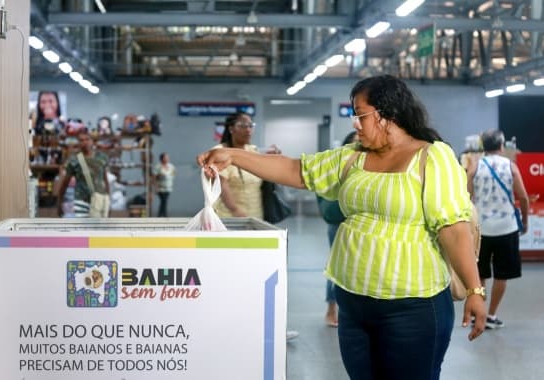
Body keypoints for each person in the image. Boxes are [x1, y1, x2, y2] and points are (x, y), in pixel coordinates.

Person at [198, 75, 486, 379]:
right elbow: (295, 169)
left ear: (387, 114)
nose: (355, 124)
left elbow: (454, 229)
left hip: (412, 308)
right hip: (353, 304)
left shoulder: (432, 157)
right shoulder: (352, 158)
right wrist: (233, 155)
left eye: (361, 115)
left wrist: (474, 290)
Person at [213, 112, 299, 341]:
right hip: (231, 224)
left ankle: (271, 327)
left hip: (259, 223)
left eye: (251, 125)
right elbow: (223, 187)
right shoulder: (220, 152)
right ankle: (232, 325)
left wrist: (277, 159)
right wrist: (237, 213)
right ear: (231, 127)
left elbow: (272, 171)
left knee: (265, 277)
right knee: (234, 277)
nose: (249, 129)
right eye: (243, 125)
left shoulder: (252, 152)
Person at [467, 129, 529, 329]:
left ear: (483, 146)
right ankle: (492, 315)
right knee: (502, 275)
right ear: (501, 145)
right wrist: (524, 221)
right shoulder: (510, 166)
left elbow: (465, 198)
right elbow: (524, 197)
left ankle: (480, 314)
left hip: (482, 229)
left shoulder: (475, 166)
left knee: (481, 274)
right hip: (506, 228)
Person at [317, 131, 359, 328]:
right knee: (336, 264)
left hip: (360, 224)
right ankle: (331, 308)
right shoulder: (338, 167)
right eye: (354, 143)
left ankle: (347, 309)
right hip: (339, 223)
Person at [57, 130, 110, 218]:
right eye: (81, 140)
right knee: (83, 229)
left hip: (99, 199)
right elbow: (65, 183)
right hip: (81, 199)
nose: (85, 142)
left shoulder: (102, 158)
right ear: (78, 143)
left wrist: (108, 200)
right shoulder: (74, 160)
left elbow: (105, 180)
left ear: (92, 141)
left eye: (87, 139)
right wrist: (59, 202)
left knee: (98, 229)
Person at [153, 152, 176, 217]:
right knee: (164, 200)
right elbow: (154, 177)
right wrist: (156, 187)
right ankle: (164, 215)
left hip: (168, 187)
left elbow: (174, 173)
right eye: (165, 157)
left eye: (167, 157)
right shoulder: (158, 167)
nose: (167, 159)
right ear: (162, 159)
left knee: (164, 201)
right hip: (160, 187)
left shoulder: (171, 166)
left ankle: (160, 215)